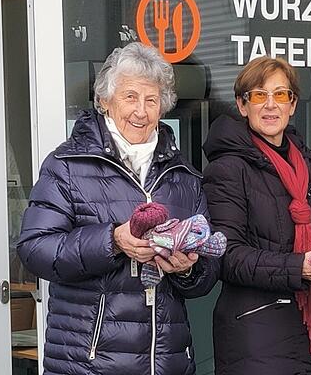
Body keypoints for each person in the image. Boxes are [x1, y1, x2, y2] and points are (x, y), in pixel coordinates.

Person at [17, 42, 219, 375]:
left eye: (151, 100)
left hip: (166, 362)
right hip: (89, 362)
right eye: (130, 97)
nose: (141, 111)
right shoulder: (67, 165)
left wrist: (187, 269)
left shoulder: (183, 175)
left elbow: (206, 274)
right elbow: (35, 249)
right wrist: (112, 241)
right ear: (105, 101)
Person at [202, 56, 311, 374]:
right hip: (254, 329)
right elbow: (226, 255)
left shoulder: (307, 165)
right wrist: (299, 266)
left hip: (307, 324)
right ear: (242, 105)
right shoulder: (227, 168)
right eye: (259, 95)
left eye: (280, 94)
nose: (270, 105)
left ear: (293, 104)